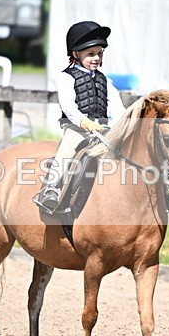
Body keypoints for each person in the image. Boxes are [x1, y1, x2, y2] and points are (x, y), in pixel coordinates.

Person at [35, 20, 126, 213]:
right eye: (90, 54)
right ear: (76, 54)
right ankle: (51, 188)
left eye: (99, 53)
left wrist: (123, 124)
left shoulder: (105, 80)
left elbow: (116, 106)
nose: (96, 58)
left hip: (103, 129)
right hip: (78, 128)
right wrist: (84, 122)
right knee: (67, 149)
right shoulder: (67, 77)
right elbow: (68, 106)